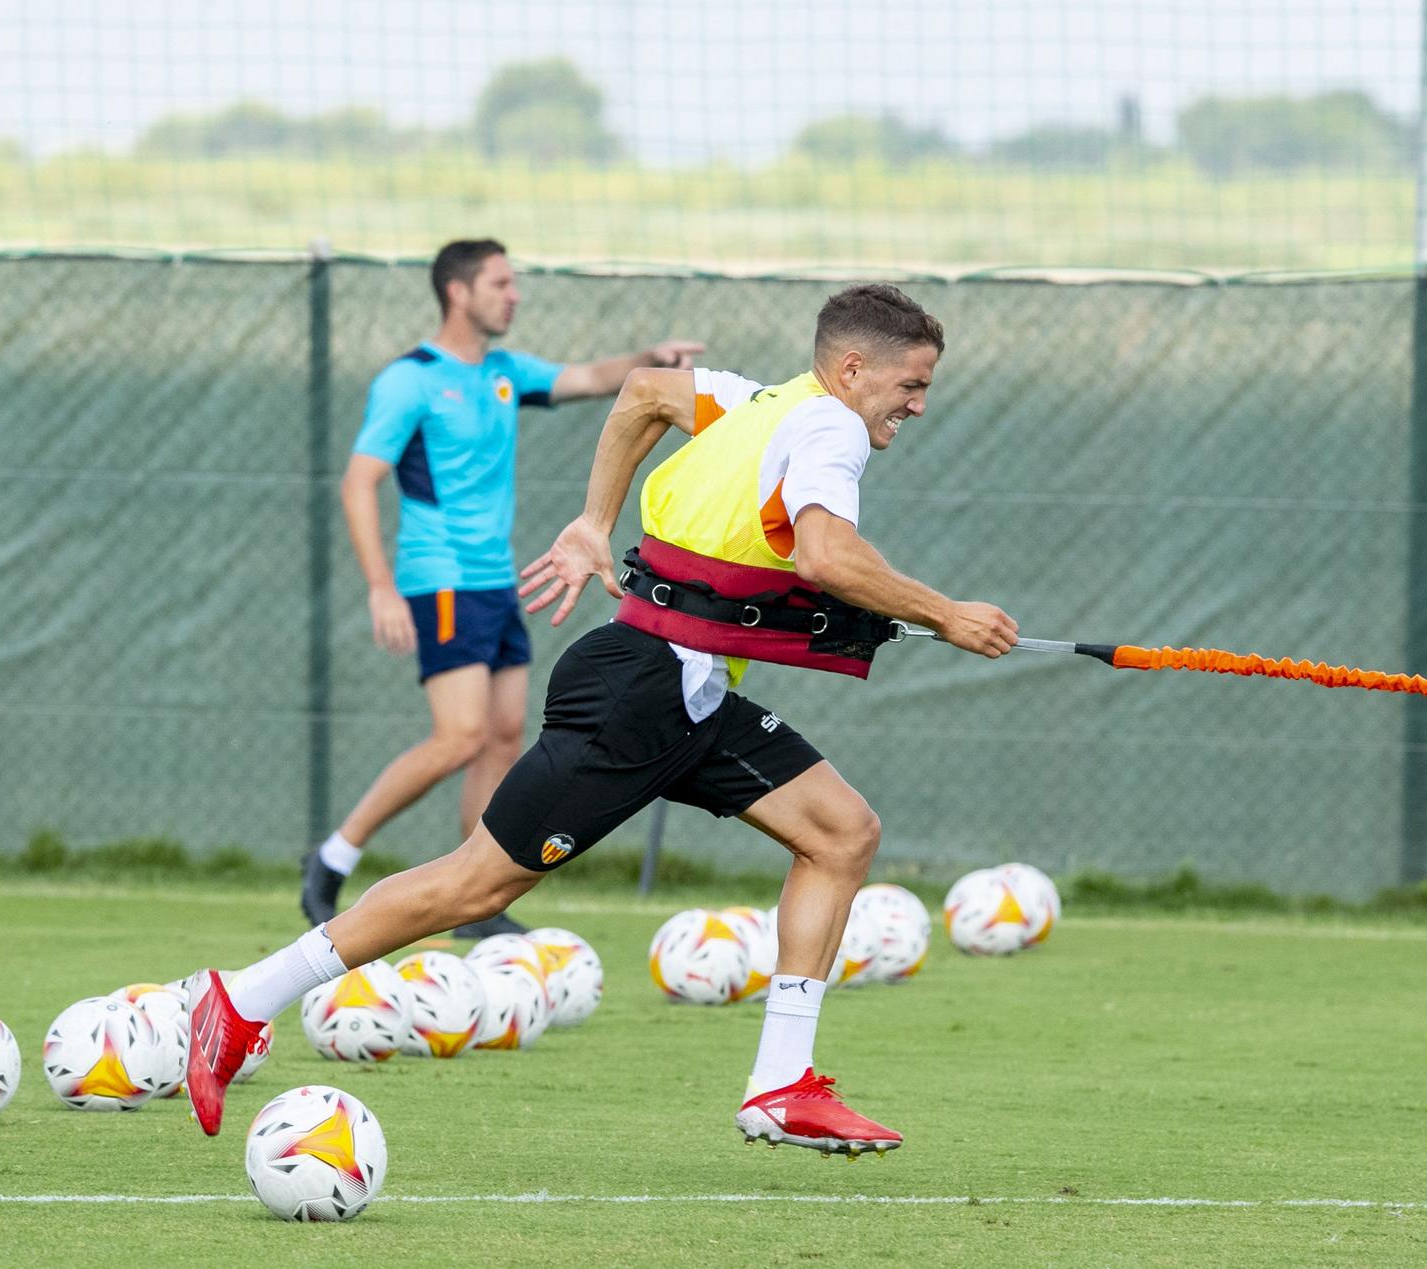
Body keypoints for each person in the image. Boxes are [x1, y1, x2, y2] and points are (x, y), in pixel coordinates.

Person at [191, 284, 1018, 1150]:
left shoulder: (759, 403)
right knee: (478, 883)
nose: (918, 405)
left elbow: (644, 394)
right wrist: (945, 612)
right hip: (641, 692)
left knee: (842, 831)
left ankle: (780, 1083)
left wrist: (595, 522)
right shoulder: (831, 427)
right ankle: (242, 999)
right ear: (853, 368)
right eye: (910, 385)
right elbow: (825, 551)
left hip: (685, 693)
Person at [302, 237, 703, 938]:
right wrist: (380, 587)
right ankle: (333, 856)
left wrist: (652, 363)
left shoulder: (503, 371)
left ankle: (474, 901)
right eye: (500, 283)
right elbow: (359, 481)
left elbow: (585, 377)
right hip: (440, 581)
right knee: (458, 736)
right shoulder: (411, 380)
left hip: (499, 583)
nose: (513, 294)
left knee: (502, 738)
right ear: (459, 292)